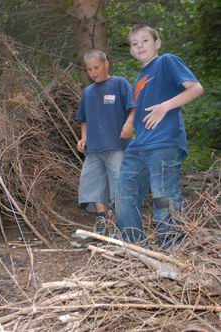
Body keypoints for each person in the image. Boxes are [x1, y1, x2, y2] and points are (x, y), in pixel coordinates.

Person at [115, 24, 204, 249]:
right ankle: (136, 249)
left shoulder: (166, 61)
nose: (139, 46)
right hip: (139, 146)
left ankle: (172, 248)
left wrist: (165, 107)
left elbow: (196, 88)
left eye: (145, 40)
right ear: (131, 51)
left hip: (164, 143)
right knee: (123, 198)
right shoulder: (140, 78)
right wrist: (128, 123)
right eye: (134, 43)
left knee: (163, 198)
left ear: (157, 43)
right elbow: (140, 111)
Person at [76, 49, 135, 235]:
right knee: (90, 181)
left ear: (106, 64)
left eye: (96, 67)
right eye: (89, 69)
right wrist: (84, 137)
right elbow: (83, 118)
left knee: (118, 182)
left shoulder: (119, 84)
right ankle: (102, 218)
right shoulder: (88, 92)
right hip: (93, 148)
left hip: (116, 145)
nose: (93, 72)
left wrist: (129, 124)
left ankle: (121, 221)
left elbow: (134, 107)